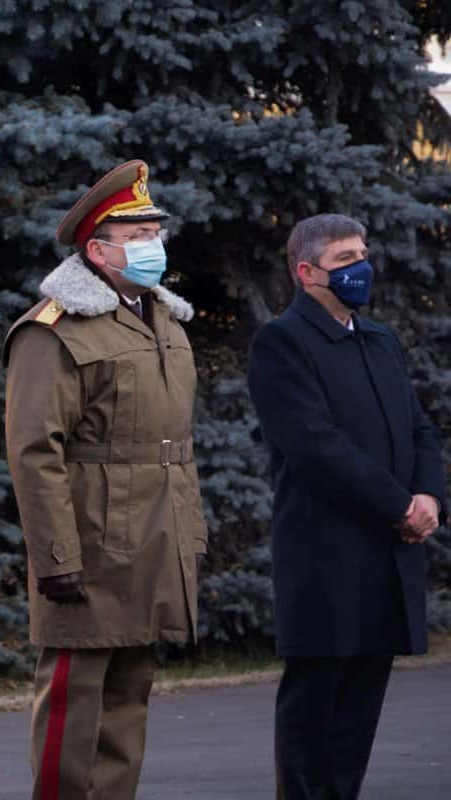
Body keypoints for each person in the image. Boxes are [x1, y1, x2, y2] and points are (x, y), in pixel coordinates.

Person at [3, 160, 207, 800]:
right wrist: (56, 557)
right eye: (138, 235)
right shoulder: (54, 329)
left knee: (128, 706)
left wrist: (188, 537)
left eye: (155, 232)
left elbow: (176, 447)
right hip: (89, 547)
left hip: (152, 541)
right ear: (97, 249)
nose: (154, 245)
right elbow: (35, 451)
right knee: (75, 706)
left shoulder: (164, 320)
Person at [246, 213, 445, 799]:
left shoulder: (379, 340)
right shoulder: (282, 343)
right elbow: (317, 447)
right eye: (343, 261)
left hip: (387, 551)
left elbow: (418, 431)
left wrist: (430, 497)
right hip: (326, 555)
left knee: (360, 712)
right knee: (316, 711)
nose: (360, 268)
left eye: (362, 254)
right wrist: (399, 506)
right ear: (306, 272)